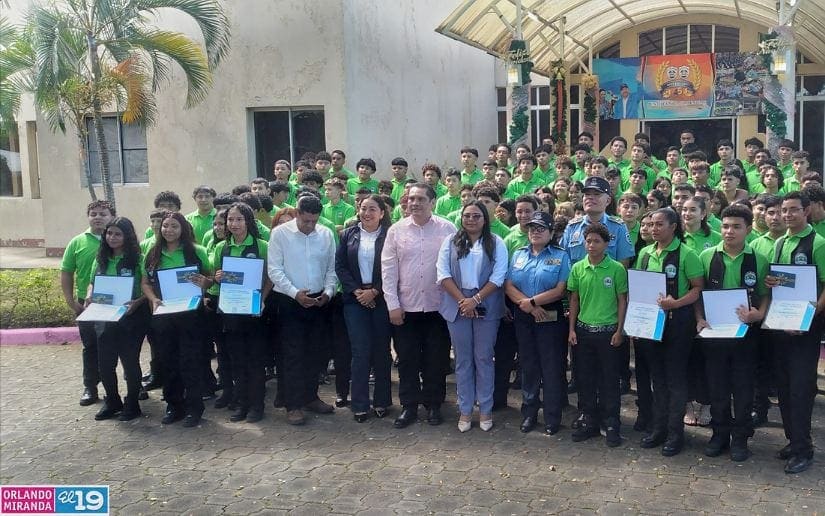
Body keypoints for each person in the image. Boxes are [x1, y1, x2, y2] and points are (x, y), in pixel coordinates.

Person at [695, 204, 769, 462]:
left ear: (748, 229)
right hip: (715, 334)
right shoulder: (707, 256)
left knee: (743, 388)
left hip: (746, 335)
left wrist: (759, 313)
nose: (729, 231)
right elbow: (697, 293)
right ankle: (719, 434)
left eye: (736, 227)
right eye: (725, 226)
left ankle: (740, 438)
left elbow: (766, 294)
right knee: (717, 386)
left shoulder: (758, 259)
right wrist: (699, 318)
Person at [381, 183, 455, 428]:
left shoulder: (447, 229)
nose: (414, 203)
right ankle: (409, 406)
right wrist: (392, 305)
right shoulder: (396, 231)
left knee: (437, 359)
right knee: (407, 360)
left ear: (432, 202)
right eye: (411, 199)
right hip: (406, 308)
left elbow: (456, 265)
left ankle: (434, 405)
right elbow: (388, 270)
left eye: (421, 199)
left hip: (439, 308)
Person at [635, 208, 704, 456]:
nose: (653, 229)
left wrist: (676, 303)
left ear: (673, 227)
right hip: (651, 323)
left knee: (675, 379)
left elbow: (697, 289)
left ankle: (676, 433)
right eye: (651, 224)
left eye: (659, 224)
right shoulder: (644, 253)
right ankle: (659, 428)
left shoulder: (687, 254)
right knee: (657, 378)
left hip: (678, 323)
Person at [765, 191, 825, 474]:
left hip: (805, 328)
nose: (787, 215)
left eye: (793, 210)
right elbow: (785, 281)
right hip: (780, 323)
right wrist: (772, 280)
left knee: (800, 389)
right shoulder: (779, 243)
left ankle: (804, 449)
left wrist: (808, 317)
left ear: (806, 211)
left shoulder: (818, 243)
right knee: (784, 387)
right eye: (784, 210)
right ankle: (793, 439)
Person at [437, 201, 508, 432]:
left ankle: (485, 408)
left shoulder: (496, 242)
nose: (471, 219)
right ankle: (465, 409)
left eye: (476, 216)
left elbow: (498, 276)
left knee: (484, 358)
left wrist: (475, 300)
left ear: (485, 219)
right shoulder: (450, 241)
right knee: (463, 359)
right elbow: (442, 274)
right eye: (467, 215)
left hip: (486, 304)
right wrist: (464, 302)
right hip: (457, 304)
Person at [268, 194, 338, 426]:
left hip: (318, 301)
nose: (310, 225)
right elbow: (274, 270)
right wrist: (295, 293)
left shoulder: (325, 234)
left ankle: (311, 397)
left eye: (314, 221)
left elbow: (331, 268)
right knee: (293, 355)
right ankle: (293, 404)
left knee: (316, 353)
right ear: (297, 213)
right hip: (289, 301)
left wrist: (328, 292)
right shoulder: (280, 234)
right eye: (306, 220)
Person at [141, 211, 213, 428]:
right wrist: (153, 298)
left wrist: (205, 283)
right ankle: (174, 406)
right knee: (168, 361)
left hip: (191, 316)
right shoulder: (153, 253)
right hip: (164, 315)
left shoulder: (197, 251)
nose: (169, 230)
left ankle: (194, 408)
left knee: (190, 362)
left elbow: (210, 278)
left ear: (183, 229)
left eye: (174, 226)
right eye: (165, 226)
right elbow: (145, 282)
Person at [505, 211, 570, 435]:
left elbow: (560, 290)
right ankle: (529, 413)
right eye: (532, 228)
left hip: (550, 315)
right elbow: (509, 285)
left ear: (551, 233)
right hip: (525, 315)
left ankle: (552, 416)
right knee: (528, 365)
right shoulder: (519, 254)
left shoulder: (561, 256)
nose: (535, 232)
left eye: (541, 228)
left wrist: (533, 302)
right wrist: (530, 306)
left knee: (551, 367)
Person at [567, 223, 628, 447]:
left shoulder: (616, 269)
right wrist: (572, 329)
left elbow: (622, 300)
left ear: (607, 244)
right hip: (583, 331)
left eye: (596, 241)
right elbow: (574, 299)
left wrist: (620, 330)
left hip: (608, 332)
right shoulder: (578, 268)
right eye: (588, 241)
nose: (591, 245)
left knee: (609, 379)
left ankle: (611, 422)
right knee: (585, 378)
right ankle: (589, 419)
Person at [212, 203, 272, 423]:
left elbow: (270, 278)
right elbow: (215, 276)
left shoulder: (262, 246)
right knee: (237, 360)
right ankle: (242, 403)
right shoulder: (222, 247)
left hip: (255, 313)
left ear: (248, 221)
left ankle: (257, 406)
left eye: (239, 219)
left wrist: (261, 300)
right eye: (230, 220)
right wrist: (217, 277)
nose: (234, 224)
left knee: (255, 360)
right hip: (231, 311)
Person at [336, 195, 393, 422]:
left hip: (382, 298)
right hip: (355, 300)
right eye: (363, 208)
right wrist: (358, 292)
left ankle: (382, 401)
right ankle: (359, 403)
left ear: (382, 213)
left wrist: (375, 291)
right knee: (360, 352)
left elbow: (394, 267)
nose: (367, 213)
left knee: (381, 351)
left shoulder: (390, 235)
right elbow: (340, 266)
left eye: (372, 209)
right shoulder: (347, 234)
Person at [86, 217, 149, 421]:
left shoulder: (138, 259)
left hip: (131, 317)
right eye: (109, 233)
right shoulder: (101, 258)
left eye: (118, 234)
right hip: (104, 317)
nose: (112, 238)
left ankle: (132, 403)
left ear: (127, 236)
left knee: (130, 362)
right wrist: (89, 294)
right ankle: (112, 401)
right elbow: (92, 283)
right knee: (105, 363)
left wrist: (137, 302)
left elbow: (148, 287)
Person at [61, 200, 116, 406]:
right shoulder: (77, 242)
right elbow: (67, 272)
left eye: (103, 214)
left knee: (120, 347)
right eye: (93, 214)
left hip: (117, 304)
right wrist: (71, 301)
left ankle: (131, 387)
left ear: (112, 216)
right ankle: (90, 387)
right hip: (88, 304)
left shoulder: (119, 240)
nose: (98, 217)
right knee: (90, 346)